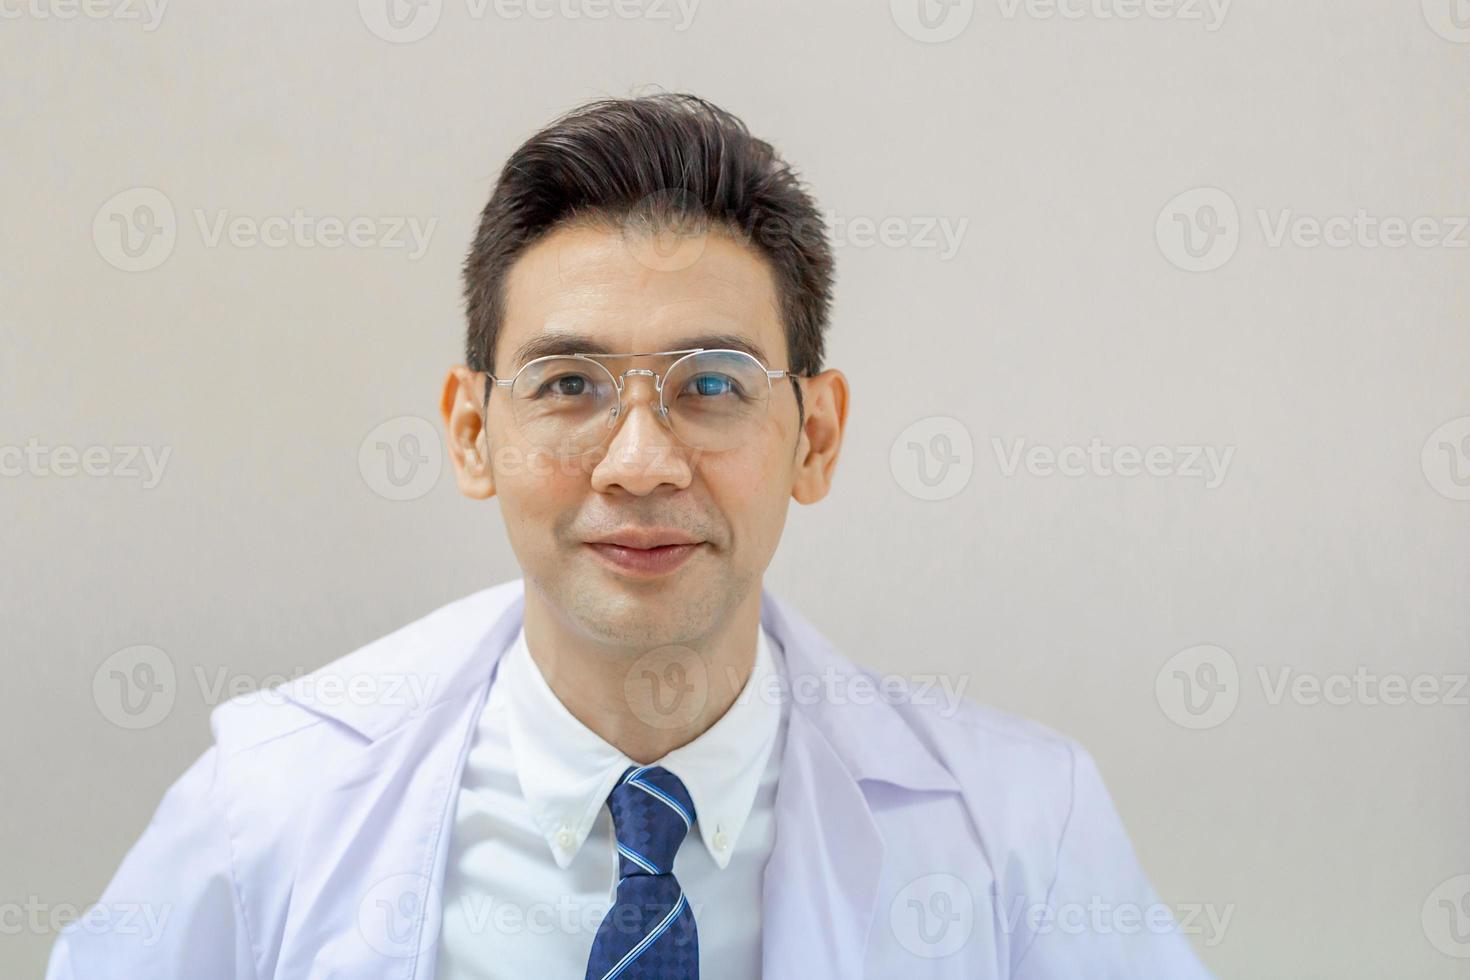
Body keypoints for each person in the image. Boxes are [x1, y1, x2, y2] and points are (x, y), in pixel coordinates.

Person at [47, 93, 1215, 979]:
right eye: (568, 383)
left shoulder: (1021, 827)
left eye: (711, 384)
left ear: (816, 435)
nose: (642, 461)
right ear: (470, 431)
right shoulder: (271, 800)